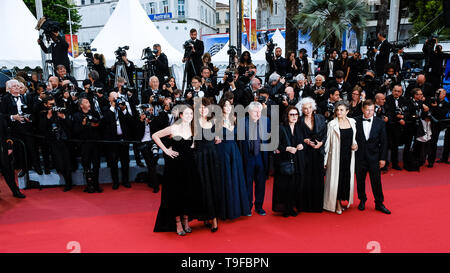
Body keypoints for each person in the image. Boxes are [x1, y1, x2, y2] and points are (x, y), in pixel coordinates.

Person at [153, 105, 197, 236]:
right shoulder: (173, 128)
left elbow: (193, 145)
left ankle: (186, 220)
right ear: (181, 115)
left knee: (187, 192)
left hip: (189, 165)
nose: (190, 116)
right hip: (175, 166)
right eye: (188, 114)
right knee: (175, 194)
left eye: (192, 114)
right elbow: (155, 135)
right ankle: (178, 222)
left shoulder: (193, 128)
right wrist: (166, 150)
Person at [215, 98, 251, 219]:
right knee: (226, 178)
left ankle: (237, 209)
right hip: (222, 150)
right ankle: (225, 210)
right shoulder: (217, 120)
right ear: (222, 107)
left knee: (236, 177)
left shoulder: (234, 119)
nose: (228, 107)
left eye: (230, 105)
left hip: (234, 150)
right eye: (225, 106)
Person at [354, 100, 391, 214]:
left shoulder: (380, 122)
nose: (370, 112)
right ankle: (362, 200)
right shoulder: (355, 121)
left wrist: (383, 158)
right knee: (360, 180)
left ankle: (379, 203)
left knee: (376, 181)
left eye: (372, 110)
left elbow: (384, 142)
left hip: (374, 157)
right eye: (367, 110)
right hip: (359, 157)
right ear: (362, 109)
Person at [192, 98, 223, 232]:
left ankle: (214, 219)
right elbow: (192, 142)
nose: (203, 109)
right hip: (200, 158)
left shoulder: (213, 122)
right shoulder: (193, 123)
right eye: (200, 107)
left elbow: (218, 138)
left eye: (205, 107)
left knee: (214, 186)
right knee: (203, 187)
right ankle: (206, 216)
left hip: (212, 158)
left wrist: (218, 137)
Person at [323, 100, 358, 214]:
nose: (339, 112)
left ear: (347, 111)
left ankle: (342, 200)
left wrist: (355, 146)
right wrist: (325, 160)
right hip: (335, 157)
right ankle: (336, 203)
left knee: (345, 178)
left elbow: (354, 139)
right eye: (337, 110)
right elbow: (327, 143)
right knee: (336, 180)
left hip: (348, 156)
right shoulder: (332, 124)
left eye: (342, 110)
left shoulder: (352, 122)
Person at [238, 102, 271, 216]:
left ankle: (259, 206)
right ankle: (248, 207)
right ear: (249, 112)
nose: (258, 114)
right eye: (255, 112)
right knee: (247, 183)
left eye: (259, 111)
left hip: (261, 156)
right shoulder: (242, 122)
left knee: (261, 183)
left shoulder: (266, 121)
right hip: (248, 156)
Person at [273, 106, 304, 217]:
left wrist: (301, 145)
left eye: (296, 114)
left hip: (296, 160)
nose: (294, 116)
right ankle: (285, 209)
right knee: (284, 185)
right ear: (287, 116)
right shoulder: (281, 128)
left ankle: (292, 207)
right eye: (291, 114)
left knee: (294, 184)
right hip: (284, 160)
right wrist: (287, 148)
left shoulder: (299, 127)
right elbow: (275, 144)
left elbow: (301, 141)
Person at [296, 97, 327, 212]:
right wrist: (304, 141)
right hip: (305, 153)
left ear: (313, 107)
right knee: (305, 177)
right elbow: (297, 135)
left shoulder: (320, 118)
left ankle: (317, 205)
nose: (308, 110)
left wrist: (321, 143)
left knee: (318, 177)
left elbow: (325, 133)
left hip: (318, 152)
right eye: (305, 108)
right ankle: (305, 205)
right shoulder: (299, 120)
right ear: (302, 110)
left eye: (309, 107)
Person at [39, 96, 73, 192]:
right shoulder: (43, 114)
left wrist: (63, 117)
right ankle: (66, 181)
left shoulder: (61, 111)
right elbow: (41, 128)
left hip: (65, 141)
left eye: (53, 104)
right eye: (50, 104)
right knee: (60, 164)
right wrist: (48, 117)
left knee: (68, 163)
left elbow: (70, 125)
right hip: (53, 142)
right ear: (45, 105)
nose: (52, 106)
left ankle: (69, 183)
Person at [101, 91, 134, 190]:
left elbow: (130, 121)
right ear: (109, 99)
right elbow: (105, 120)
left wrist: (124, 110)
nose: (116, 99)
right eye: (114, 98)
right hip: (112, 140)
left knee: (125, 161)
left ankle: (126, 180)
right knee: (113, 162)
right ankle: (115, 182)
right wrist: (112, 107)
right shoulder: (106, 109)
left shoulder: (122, 107)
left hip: (123, 139)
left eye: (117, 97)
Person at [72, 98, 103, 193]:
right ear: (81, 105)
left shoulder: (94, 113)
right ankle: (89, 185)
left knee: (96, 164)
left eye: (89, 102)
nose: (88, 103)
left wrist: (95, 124)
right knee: (86, 164)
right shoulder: (77, 115)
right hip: (84, 144)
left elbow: (100, 125)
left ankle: (96, 184)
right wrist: (83, 124)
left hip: (95, 143)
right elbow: (76, 130)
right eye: (86, 102)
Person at [0, 112, 26, 198]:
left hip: (2, 149)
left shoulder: (1, 116)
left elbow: (7, 132)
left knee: (8, 171)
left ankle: (15, 191)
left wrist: (9, 146)